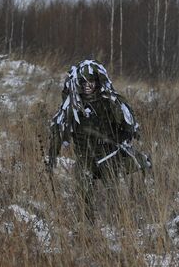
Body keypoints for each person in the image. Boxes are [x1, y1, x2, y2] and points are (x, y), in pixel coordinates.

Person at [48, 59, 151, 223]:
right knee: (83, 191)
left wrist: (123, 133)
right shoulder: (72, 106)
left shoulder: (108, 102)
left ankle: (117, 222)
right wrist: (52, 155)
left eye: (92, 81)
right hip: (84, 158)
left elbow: (127, 125)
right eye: (84, 82)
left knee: (113, 189)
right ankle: (86, 225)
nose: (88, 86)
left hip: (108, 156)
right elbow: (58, 131)